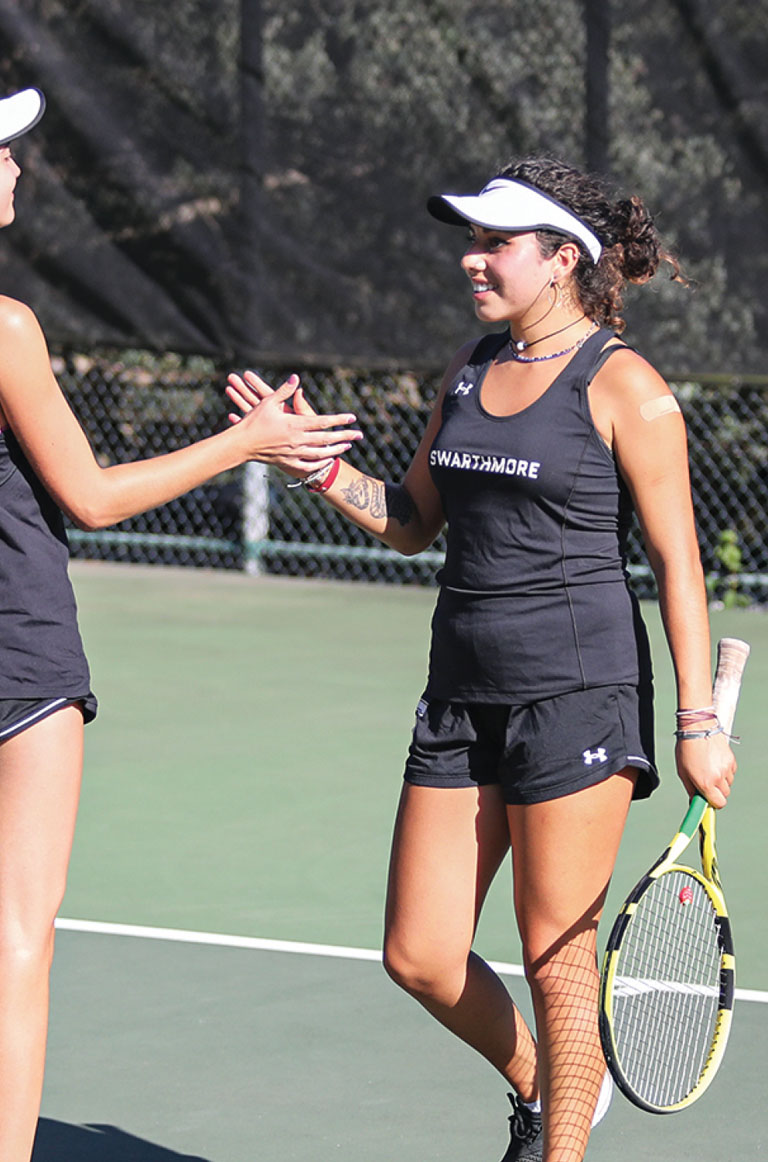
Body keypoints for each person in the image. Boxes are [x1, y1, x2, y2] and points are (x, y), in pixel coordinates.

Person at [0, 79, 360, 1162]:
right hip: (12, 653)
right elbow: (94, 496)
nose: (20, 167)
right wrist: (246, 445)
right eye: (3, 154)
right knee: (14, 937)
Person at [226, 157, 736, 1162]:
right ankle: (554, 1086)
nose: (473, 258)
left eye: (495, 242)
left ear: (560, 260)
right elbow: (415, 520)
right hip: (461, 694)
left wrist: (695, 721)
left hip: (578, 697)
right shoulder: (468, 367)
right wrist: (314, 464)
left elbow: (679, 563)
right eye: (473, 240)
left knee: (556, 959)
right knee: (417, 951)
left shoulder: (625, 385)